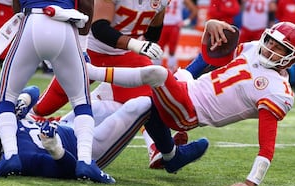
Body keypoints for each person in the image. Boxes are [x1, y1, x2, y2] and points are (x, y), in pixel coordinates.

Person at [86, 20, 295, 186]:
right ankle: (170, 155)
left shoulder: (278, 91)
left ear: (292, 57)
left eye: (279, 48)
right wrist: (210, 27)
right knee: (139, 103)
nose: (269, 48)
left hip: (191, 111)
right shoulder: (251, 49)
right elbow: (213, 57)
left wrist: (252, 181)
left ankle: (90, 71)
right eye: (269, 41)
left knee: (157, 74)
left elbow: (267, 145)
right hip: (187, 91)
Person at [28, 0, 191, 169]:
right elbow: (99, 28)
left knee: (151, 98)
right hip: (90, 51)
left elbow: (153, 34)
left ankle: (158, 148)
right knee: (44, 107)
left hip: (126, 55)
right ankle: (22, 121)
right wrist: (135, 44)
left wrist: (144, 44)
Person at [0, 0, 115, 184]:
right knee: (81, 101)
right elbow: (87, 5)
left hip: (32, 20)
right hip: (65, 25)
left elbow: (16, 4)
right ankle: (85, 161)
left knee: (6, 99)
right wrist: (82, 46)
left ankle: (10, 156)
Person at [0, 86, 152, 180]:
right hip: (88, 149)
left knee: (109, 91)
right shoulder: (22, 157)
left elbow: (34, 90)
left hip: (69, 126)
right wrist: (55, 149)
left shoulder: (8, 128)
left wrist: (22, 102)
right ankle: (168, 152)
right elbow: (69, 170)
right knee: (141, 104)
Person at [153, 0, 198, 72]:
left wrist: (186, 21)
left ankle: (171, 72)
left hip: (174, 25)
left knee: (172, 50)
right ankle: (156, 70)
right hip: (162, 24)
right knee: (159, 49)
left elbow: (194, 10)